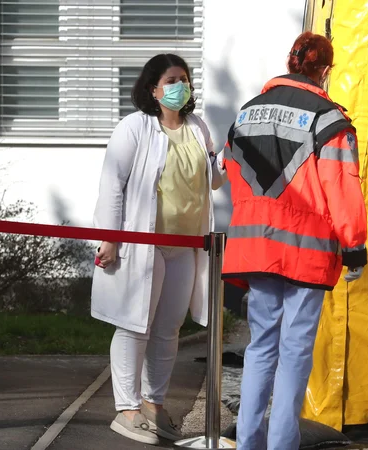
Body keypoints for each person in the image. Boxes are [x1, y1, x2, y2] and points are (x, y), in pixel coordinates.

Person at [220, 32, 368, 450]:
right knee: (294, 353)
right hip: (307, 252)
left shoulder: (246, 113)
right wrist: (354, 246)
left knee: (260, 347)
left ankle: (249, 442)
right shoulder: (329, 120)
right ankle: (282, 444)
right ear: (324, 70)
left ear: (290, 62)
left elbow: (233, 173)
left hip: (255, 248)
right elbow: (341, 188)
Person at [90, 54, 226, 445]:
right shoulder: (134, 128)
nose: (180, 85)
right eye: (171, 79)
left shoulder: (198, 127)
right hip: (143, 245)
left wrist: (229, 156)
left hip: (184, 247)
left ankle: (153, 403)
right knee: (134, 324)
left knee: (169, 329)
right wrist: (110, 238)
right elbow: (112, 185)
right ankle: (126, 408)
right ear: (153, 88)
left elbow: (212, 180)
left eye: (184, 78)